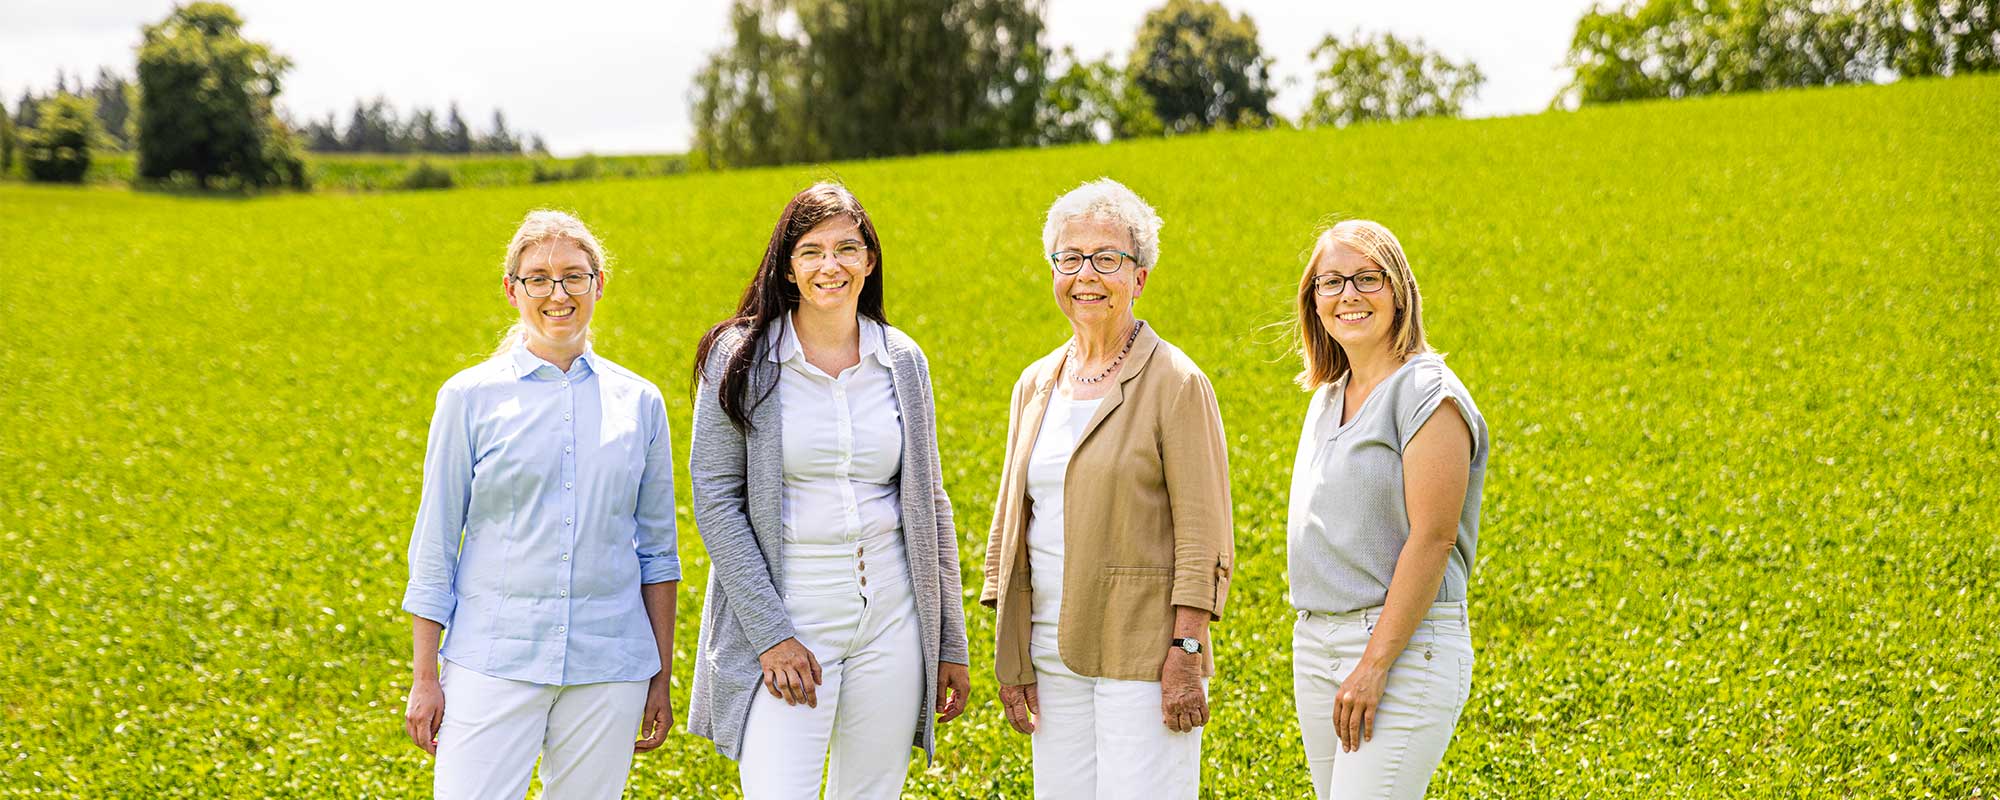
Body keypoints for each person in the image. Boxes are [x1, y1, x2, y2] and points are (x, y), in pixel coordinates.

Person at [686, 182, 971, 799]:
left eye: (847, 248)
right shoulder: (740, 358)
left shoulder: (903, 359)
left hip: (892, 622)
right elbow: (714, 497)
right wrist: (772, 635)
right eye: (812, 251)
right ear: (787, 266)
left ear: (869, 260)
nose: (830, 266)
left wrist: (948, 639)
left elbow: (929, 501)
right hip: (792, 620)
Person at [401, 209, 680, 799]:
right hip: (492, 659)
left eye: (575, 276)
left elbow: (658, 553)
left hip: (610, 665)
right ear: (512, 290)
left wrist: (661, 676)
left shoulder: (641, 402)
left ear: (599, 284)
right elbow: (435, 544)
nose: (559, 292)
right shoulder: (469, 398)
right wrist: (426, 677)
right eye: (539, 277)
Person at [982, 178, 1234, 799]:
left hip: (1142, 656)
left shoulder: (1176, 381)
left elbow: (1204, 533)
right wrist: (1014, 654)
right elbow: (1014, 525)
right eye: (1070, 259)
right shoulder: (1035, 383)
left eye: (1108, 259)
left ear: (1140, 277)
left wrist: (1186, 649)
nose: (1086, 275)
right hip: (1049, 653)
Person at [1285, 220, 1489, 799]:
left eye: (1366, 278)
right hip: (1318, 642)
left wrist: (1374, 664)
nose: (1348, 294)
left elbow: (1433, 538)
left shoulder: (1428, 393)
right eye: (1331, 282)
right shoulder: (1328, 396)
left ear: (1399, 291)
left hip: (1400, 647)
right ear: (1314, 300)